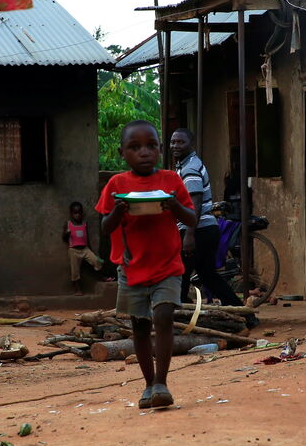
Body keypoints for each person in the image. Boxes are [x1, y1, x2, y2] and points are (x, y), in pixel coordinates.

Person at [96, 120, 196, 409]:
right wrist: (118, 210)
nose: (144, 152)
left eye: (151, 146)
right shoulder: (117, 184)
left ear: (161, 149)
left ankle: (162, 382)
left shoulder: (171, 181)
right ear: (122, 153)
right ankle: (149, 384)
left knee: (164, 318)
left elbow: (190, 218)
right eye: (135, 147)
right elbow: (104, 227)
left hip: (167, 266)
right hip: (131, 268)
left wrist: (173, 205)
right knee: (139, 327)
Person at [170, 129, 257, 327]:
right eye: (173, 142)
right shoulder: (184, 166)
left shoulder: (190, 168)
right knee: (208, 276)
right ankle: (244, 314)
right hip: (204, 229)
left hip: (197, 230)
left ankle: (181, 318)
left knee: (181, 275)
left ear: (190, 143)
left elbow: (195, 203)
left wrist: (189, 235)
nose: (175, 146)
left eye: (180, 142)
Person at [62, 201, 105, 295]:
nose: (77, 215)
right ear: (71, 213)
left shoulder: (84, 224)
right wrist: (67, 234)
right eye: (75, 213)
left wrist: (92, 251)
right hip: (73, 250)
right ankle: (77, 289)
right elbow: (64, 238)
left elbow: (87, 238)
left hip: (85, 249)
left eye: (79, 212)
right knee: (75, 270)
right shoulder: (68, 224)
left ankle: (102, 278)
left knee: (96, 261)